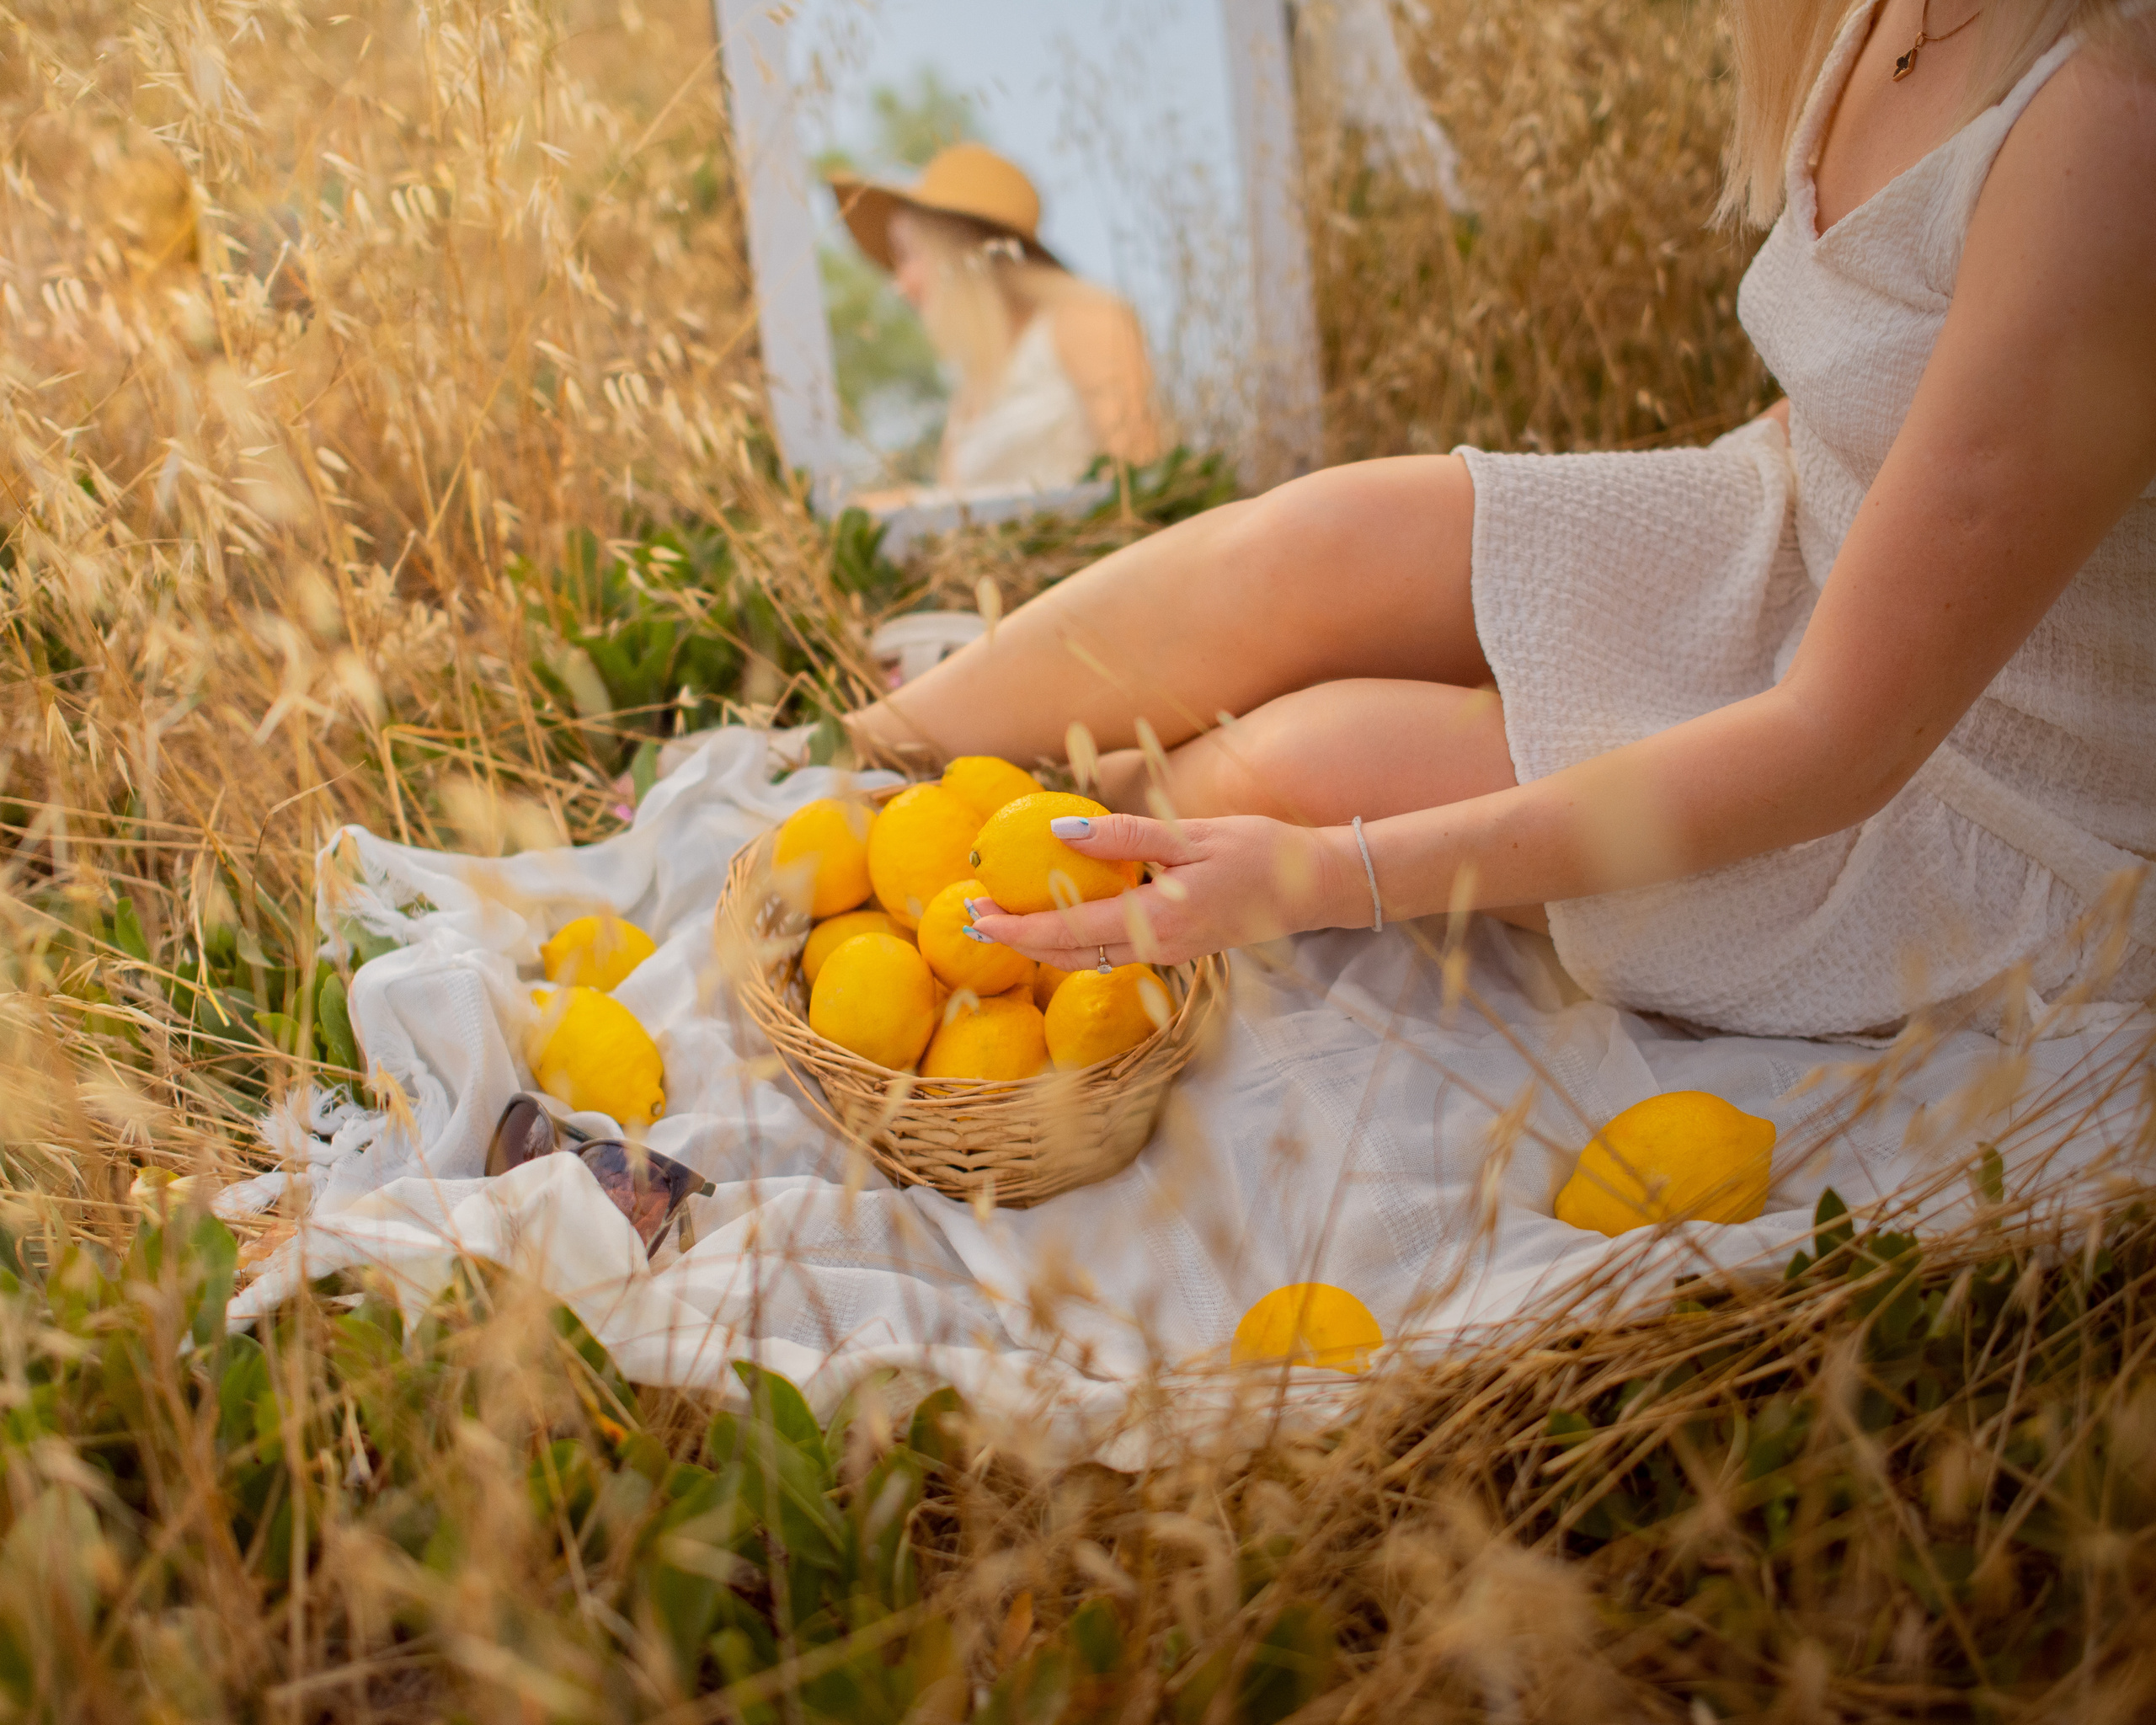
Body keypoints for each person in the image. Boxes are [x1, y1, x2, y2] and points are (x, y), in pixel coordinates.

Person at [846, 0, 2156, 1040]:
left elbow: (1840, 747)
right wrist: (1606, 557)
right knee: (1318, 546)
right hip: (1811, 542)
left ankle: (951, 889)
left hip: (1974, 786)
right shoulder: (1876, 10)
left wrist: (1329, 872)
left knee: (1302, 764)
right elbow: (1871, 386)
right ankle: (848, 763)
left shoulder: (2107, 117)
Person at [829, 142, 1162, 490]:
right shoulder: (971, 391)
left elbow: (1140, 481)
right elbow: (954, 510)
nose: (899, 284)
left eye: (908, 254)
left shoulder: (1087, 322)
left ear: (957, 248)